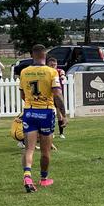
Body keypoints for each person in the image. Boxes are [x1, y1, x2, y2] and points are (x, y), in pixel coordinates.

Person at [19, 44, 67, 192]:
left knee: (29, 148)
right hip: (45, 112)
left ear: (32, 55)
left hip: (29, 112)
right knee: (46, 151)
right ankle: (44, 179)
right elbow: (57, 95)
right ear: (45, 56)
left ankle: (27, 175)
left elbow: (22, 94)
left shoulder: (24, 72)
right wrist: (63, 115)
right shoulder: (51, 72)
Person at [47, 57, 67, 139]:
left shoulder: (59, 71)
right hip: (48, 96)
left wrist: (63, 76)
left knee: (59, 115)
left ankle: (61, 133)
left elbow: (62, 73)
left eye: (54, 65)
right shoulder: (46, 72)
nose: (53, 66)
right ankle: (51, 132)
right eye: (51, 65)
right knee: (50, 115)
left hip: (57, 96)